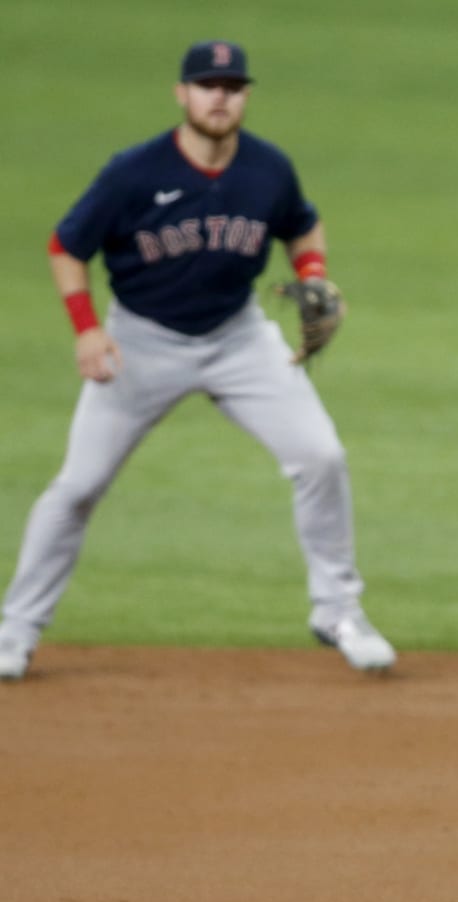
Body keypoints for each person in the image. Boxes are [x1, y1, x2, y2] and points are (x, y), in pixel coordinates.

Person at [0, 40, 394, 681]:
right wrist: (86, 330)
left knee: (321, 456)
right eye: (208, 85)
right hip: (142, 342)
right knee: (76, 488)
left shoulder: (268, 168)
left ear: (245, 95)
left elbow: (301, 224)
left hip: (239, 338)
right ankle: (14, 631)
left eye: (233, 86)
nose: (221, 96)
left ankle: (339, 612)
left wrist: (314, 272)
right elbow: (65, 245)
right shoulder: (134, 172)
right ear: (182, 93)